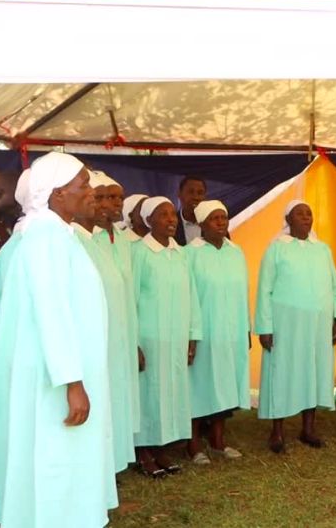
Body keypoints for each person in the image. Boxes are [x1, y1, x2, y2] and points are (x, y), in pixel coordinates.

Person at [0, 152, 117, 528]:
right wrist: (72, 381)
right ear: (56, 195)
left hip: (51, 370)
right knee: (53, 458)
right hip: (52, 377)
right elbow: (51, 312)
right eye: (83, 185)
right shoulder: (44, 238)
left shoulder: (48, 236)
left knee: (50, 458)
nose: (91, 192)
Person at [255, 200, 336, 453]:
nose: (306, 217)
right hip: (286, 326)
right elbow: (264, 290)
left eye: (309, 213)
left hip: (317, 326)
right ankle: (277, 431)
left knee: (312, 371)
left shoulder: (322, 249)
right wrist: (265, 327)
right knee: (281, 372)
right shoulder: (276, 249)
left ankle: (308, 429)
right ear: (288, 220)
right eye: (299, 214)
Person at [132, 197, 203, 477]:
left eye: (173, 215)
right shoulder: (140, 252)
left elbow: (192, 296)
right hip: (149, 337)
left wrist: (192, 336)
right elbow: (131, 298)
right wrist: (133, 342)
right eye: (163, 215)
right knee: (149, 392)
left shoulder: (181, 253)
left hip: (176, 336)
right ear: (149, 221)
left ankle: (162, 448)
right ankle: (143, 452)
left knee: (171, 392)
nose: (171, 220)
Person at [80, 171, 140, 475]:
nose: (109, 204)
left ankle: (114, 466)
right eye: (101, 196)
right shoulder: (82, 239)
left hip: (122, 335)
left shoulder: (126, 240)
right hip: (96, 338)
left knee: (118, 396)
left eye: (116, 197)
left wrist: (135, 339)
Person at [185, 200, 250, 464]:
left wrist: (245, 328)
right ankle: (193, 444)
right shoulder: (190, 253)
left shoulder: (236, 252)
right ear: (201, 223)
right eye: (215, 218)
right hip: (204, 332)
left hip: (231, 330)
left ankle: (218, 441)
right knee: (198, 385)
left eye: (224, 217)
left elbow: (243, 293)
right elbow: (187, 297)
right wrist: (191, 334)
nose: (221, 222)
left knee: (225, 383)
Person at [175, 176, 207, 246]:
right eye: (190, 192)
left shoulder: (213, 225)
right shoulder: (170, 224)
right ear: (179, 195)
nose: (195, 197)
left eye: (200, 193)